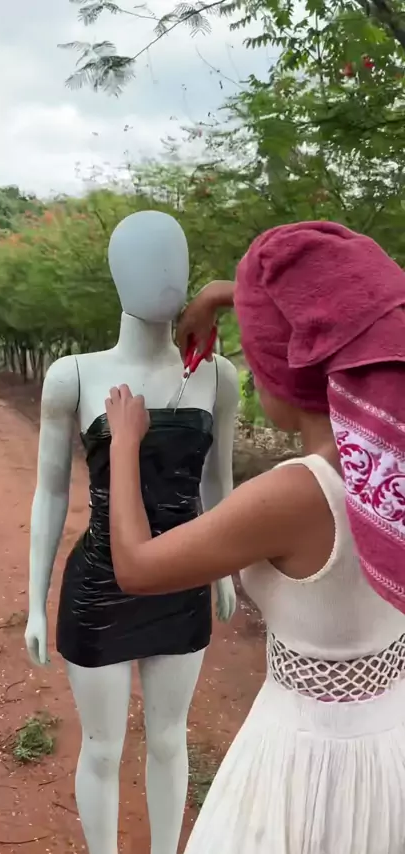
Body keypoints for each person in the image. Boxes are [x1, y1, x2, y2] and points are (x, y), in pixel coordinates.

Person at [104, 221, 405, 854]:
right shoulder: (388, 464)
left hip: (307, 763)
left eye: (257, 362)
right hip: (388, 742)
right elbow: (352, 309)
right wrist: (221, 296)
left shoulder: (296, 495)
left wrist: (124, 443)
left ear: (287, 376)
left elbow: (135, 567)